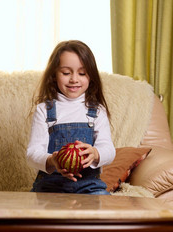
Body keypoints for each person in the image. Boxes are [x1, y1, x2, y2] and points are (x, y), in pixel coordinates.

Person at [26, 40, 115, 195]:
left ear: (91, 76)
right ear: (54, 75)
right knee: (36, 215)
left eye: (82, 73)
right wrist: (52, 160)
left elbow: (109, 150)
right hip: (50, 186)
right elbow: (32, 153)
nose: (74, 79)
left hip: (89, 186)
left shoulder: (97, 111)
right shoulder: (44, 110)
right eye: (66, 73)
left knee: (104, 211)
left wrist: (95, 153)